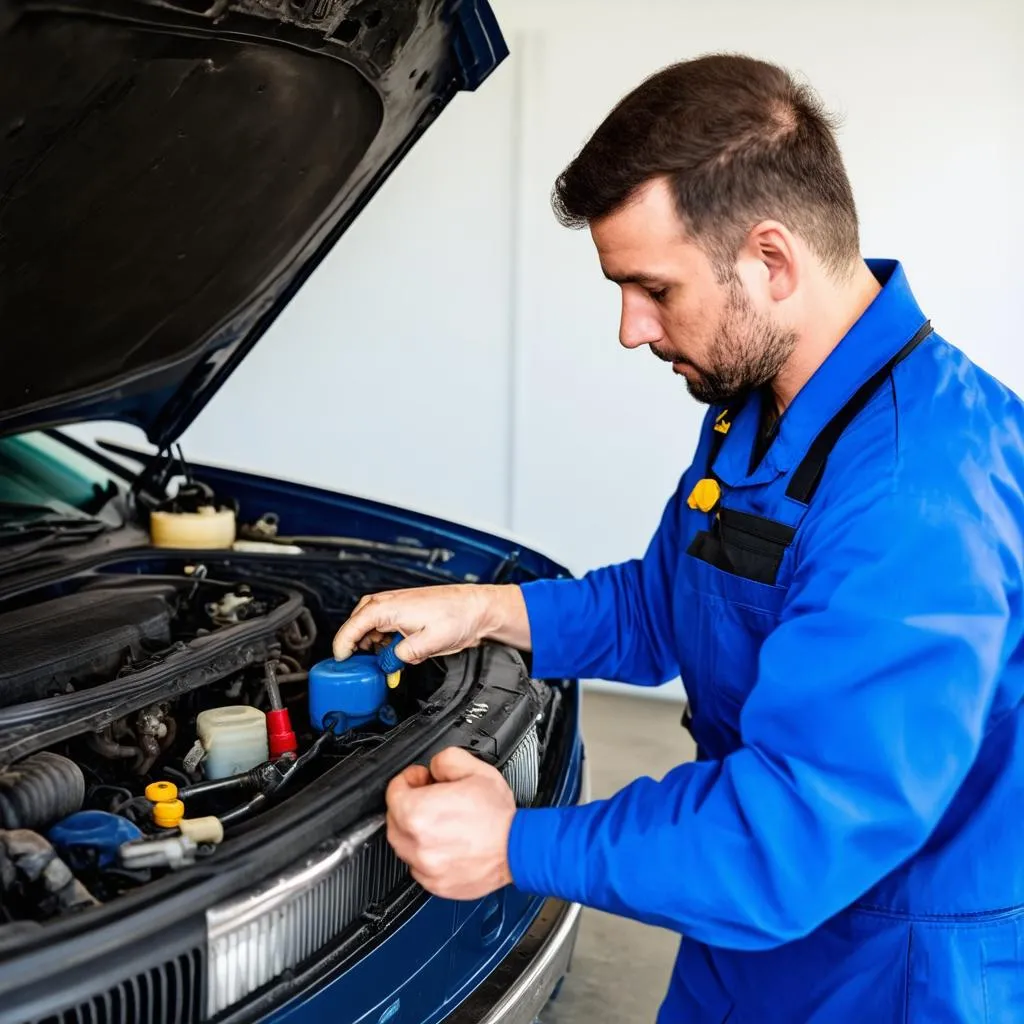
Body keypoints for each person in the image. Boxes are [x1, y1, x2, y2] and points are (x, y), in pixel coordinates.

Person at [332, 54, 1024, 1023]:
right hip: (740, 936)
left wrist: (518, 844)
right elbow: (670, 599)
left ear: (771, 262)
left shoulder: (918, 497)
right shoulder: (761, 401)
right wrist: (488, 610)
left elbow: (787, 834)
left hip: (883, 968)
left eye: (652, 288)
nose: (629, 327)